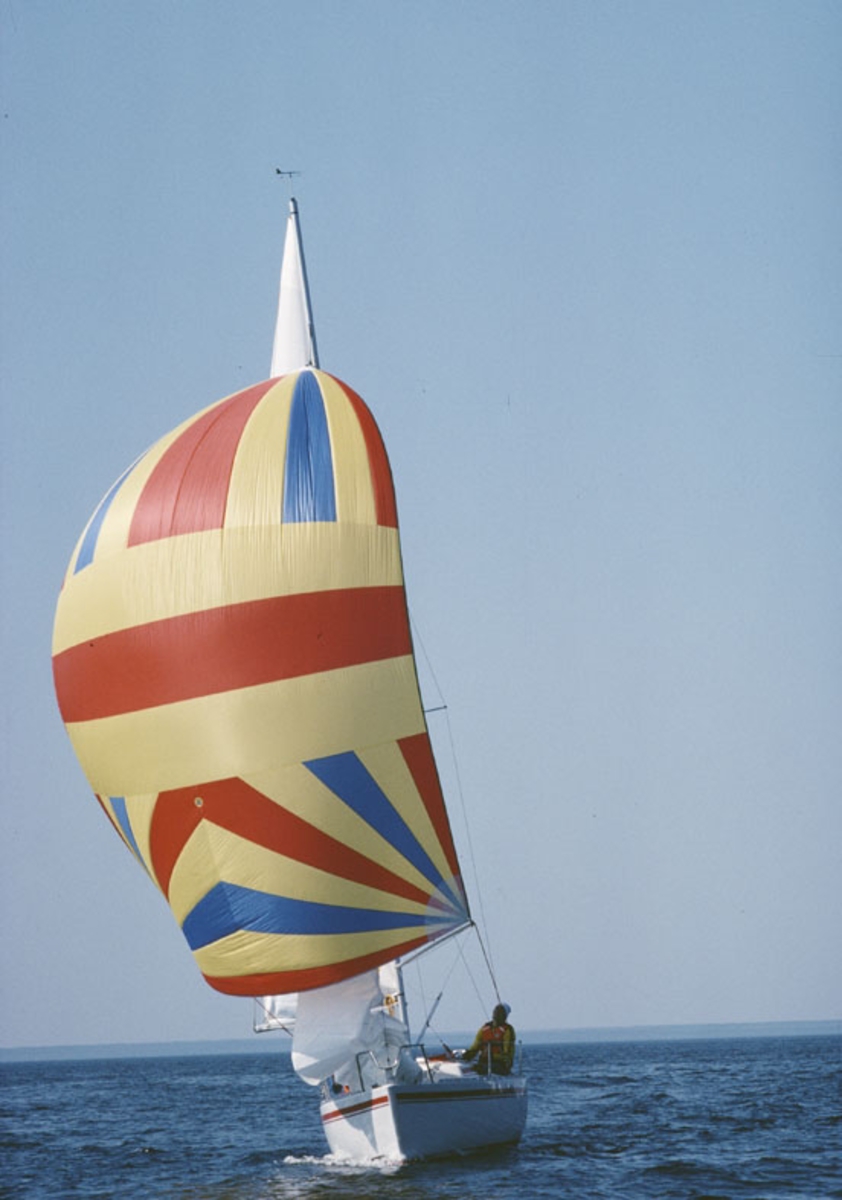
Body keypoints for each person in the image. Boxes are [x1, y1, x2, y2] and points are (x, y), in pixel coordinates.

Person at [463, 1002, 515, 1075]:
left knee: (481, 1068)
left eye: (500, 1012)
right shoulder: (484, 1029)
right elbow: (475, 1047)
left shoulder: (508, 1030)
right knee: (471, 1068)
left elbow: (507, 1055)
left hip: (500, 1065)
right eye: (496, 1010)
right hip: (483, 1063)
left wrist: (493, 1056)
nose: (496, 1013)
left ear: (505, 1016)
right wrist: (467, 1055)